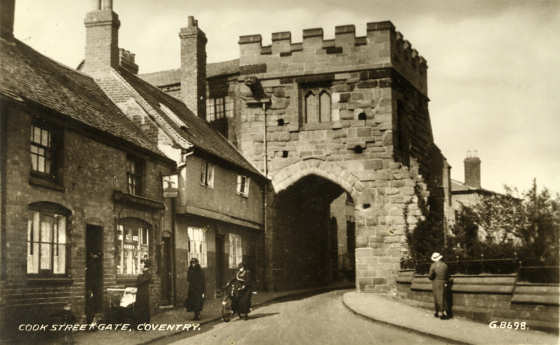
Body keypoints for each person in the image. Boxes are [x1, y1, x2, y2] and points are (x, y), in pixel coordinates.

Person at [428, 252, 449, 320]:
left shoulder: (433, 265)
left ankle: (439, 312)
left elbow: (430, 276)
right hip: (444, 282)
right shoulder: (445, 265)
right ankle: (445, 312)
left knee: (437, 297)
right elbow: (447, 275)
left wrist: (431, 277)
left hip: (436, 282)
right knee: (443, 297)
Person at [135, 259, 152, 325]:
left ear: (145, 265)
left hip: (144, 293)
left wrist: (140, 275)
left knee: (144, 308)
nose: (140, 265)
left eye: (141, 263)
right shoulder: (143, 273)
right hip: (140, 293)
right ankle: (140, 324)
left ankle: (144, 324)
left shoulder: (147, 274)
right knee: (140, 308)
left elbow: (139, 282)